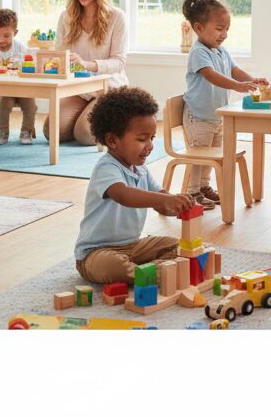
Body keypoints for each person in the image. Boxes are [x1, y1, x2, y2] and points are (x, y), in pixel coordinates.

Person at [75, 86, 195, 284]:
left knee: (181, 247)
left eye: (151, 138)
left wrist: (178, 205)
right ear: (112, 140)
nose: (149, 145)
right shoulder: (106, 168)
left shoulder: (141, 170)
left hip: (134, 246)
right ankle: (156, 273)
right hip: (96, 252)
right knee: (112, 267)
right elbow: (124, 195)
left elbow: (161, 203)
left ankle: (147, 272)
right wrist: (166, 199)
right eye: (142, 139)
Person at [181, 0, 266, 209]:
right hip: (198, 115)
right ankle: (192, 193)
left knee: (211, 155)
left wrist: (251, 80)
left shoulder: (221, 51)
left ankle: (203, 186)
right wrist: (237, 86)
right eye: (220, 28)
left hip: (215, 115)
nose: (224, 34)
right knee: (199, 154)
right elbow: (211, 75)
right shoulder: (198, 52)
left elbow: (234, 70)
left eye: (227, 29)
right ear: (199, 28)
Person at [44, 0, 128, 146]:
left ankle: (119, 117)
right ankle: (85, 116)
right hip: (78, 88)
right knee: (52, 132)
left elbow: (119, 62)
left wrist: (88, 65)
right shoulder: (66, 16)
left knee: (84, 134)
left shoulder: (116, 17)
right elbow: (59, 54)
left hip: (107, 86)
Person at [0, 7, 35, 145]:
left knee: (31, 106)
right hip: (5, 90)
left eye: (6, 35)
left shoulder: (21, 48)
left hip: (23, 89)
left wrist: (20, 66)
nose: (1, 40)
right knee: (3, 106)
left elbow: (29, 67)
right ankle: (2, 132)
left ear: (15, 33)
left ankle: (26, 131)